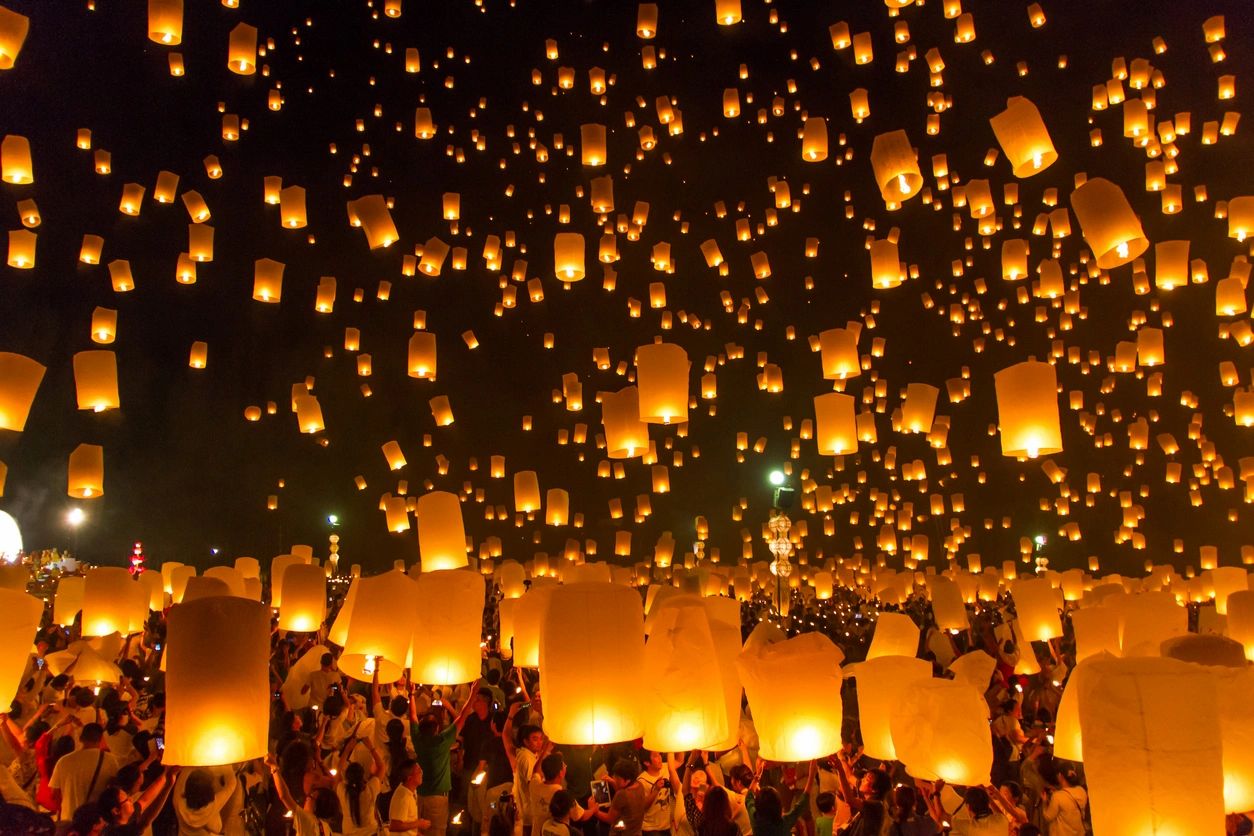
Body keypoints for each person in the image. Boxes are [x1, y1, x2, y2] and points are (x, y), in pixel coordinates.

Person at [411, 690, 478, 836]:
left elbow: (413, 716)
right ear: (436, 728)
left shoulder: (418, 740)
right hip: (437, 799)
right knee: (436, 832)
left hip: (418, 795)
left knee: (417, 832)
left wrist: (411, 694)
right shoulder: (442, 741)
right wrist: (472, 694)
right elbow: (462, 717)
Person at [49, 723, 120, 821]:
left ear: (81, 738)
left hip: (69, 818)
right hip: (95, 820)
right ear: (100, 740)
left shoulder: (63, 761)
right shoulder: (110, 760)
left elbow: (54, 794)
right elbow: (115, 790)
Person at [268, 753, 341, 836]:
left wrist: (273, 767)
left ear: (316, 806)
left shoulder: (307, 820)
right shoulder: (325, 827)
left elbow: (284, 796)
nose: (307, 798)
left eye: (310, 797)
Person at [96, 764, 178, 835]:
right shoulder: (122, 833)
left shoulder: (126, 819)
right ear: (116, 811)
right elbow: (145, 822)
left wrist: (166, 777)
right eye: (126, 799)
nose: (131, 799)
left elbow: (145, 800)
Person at [503, 704, 547, 836]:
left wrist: (510, 716)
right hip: (529, 814)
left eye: (541, 739)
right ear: (526, 741)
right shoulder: (527, 758)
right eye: (535, 739)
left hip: (522, 812)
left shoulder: (521, 753)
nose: (539, 742)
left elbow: (505, 737)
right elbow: (533, 784)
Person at [744, 760, 816, 836]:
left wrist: (757, 776)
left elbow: (749, 797)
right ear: (779, 806)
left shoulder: (755, 819)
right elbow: (801, 803)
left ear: (757, 805)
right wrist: (811, 775)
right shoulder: (784, 822)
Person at [595, 757, 662, 836]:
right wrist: (613, 782)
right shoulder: (639, 785)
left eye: (617, 778)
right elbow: (625, 799)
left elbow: (610, 819)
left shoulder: (622, 794)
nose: (614, 778)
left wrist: (595, 811)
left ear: (627, 780)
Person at [335, 737, 384, 836]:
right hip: (371, 833)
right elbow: (382, 767)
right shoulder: (371, 789)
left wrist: (347, 749)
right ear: (363, 775)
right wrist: (371, 748)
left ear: (347, 777)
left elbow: (338, 770)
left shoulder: (342, 790)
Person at [833, 767, 889, 836]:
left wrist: (840, 769)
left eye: (867, 779)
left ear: (874, 789)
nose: (862, 780)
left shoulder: (876, 806)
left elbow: (850, 800)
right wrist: (840, 758)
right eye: (864, 777)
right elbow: (850, 776)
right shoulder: (869, 799)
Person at [388, 759, 431, 834]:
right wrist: (419, 823)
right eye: (418, 771)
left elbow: (409, 820)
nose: (422, 772)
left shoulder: (412, 791)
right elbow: (394, 826)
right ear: (410, 778)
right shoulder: (403, 796)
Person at [1041, 767, 1087, 836]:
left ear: (1060, 776)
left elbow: (1048, 817)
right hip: (1079, 833)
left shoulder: (1057, 796)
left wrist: (1044, 802)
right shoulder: (1081, 791)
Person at [637, 750, 673, 836]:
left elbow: (680, 761)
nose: (660, 758)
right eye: (656, 756)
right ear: (647, 763)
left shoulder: (665, 767)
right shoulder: (641, 781)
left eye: (659, 754)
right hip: (651, 829)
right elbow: (642, 806)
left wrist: (672, 747)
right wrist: (656, 789)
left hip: (667, 826)